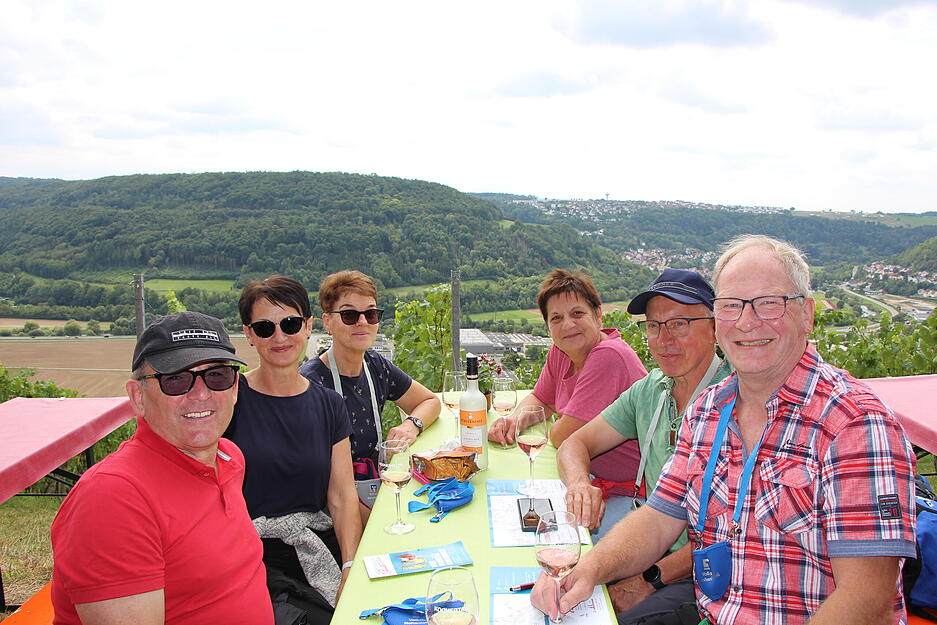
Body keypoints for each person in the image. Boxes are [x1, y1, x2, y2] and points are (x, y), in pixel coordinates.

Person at [532, 235, 917, 625]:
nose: (747, 322)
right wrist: (585, 572)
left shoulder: (855, 424)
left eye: (769, 303)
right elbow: (658, 519)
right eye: (732, 306)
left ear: (806, 313)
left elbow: (868, 600)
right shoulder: (708, 410)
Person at [50, 311, 273, 625]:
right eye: (175, 380)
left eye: (217, 376)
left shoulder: (229, 458)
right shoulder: (113, 498)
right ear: (137, 397)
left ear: (235, 389)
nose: (201, 394)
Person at [558, 269, 732, 624]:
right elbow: (575, 442)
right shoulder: (652, 389)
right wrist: (579, 484)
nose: (663, 339)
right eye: (653, 326)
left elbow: (727, 536)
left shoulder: (734, 399)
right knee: (560, 580)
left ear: (714, 327)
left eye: (679, 324)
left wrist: (647, 580)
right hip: (647, 543)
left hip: (705, 574)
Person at [224, 275, 362, 625]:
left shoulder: (329, 404)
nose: (280, 337)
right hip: (252, 558)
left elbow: (342, 496)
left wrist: (350, 566)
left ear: (308, 326)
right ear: (249, 334)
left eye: (289, 323)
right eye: (265, 328)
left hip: (318, 546)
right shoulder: (230, 401)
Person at [488, 269, 648, 536]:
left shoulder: (609, 356)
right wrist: (514, 421)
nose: (567, 325)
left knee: (556, 537)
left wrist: (552, 424)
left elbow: (563, 435)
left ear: (598, 315)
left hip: (630, 493)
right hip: (590, 480)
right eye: (556, 318)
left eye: (577, 314)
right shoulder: (562, 351)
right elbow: (542, 399)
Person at [300, 270, 440, 519]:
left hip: (376, 490)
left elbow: (429, 401)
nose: (362, 322)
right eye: (349, 315)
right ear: (328, 322)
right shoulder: (311, 384)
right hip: (334, 512)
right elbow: (318, 480)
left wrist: (412, 424)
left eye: (371, 313)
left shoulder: (376, 365)